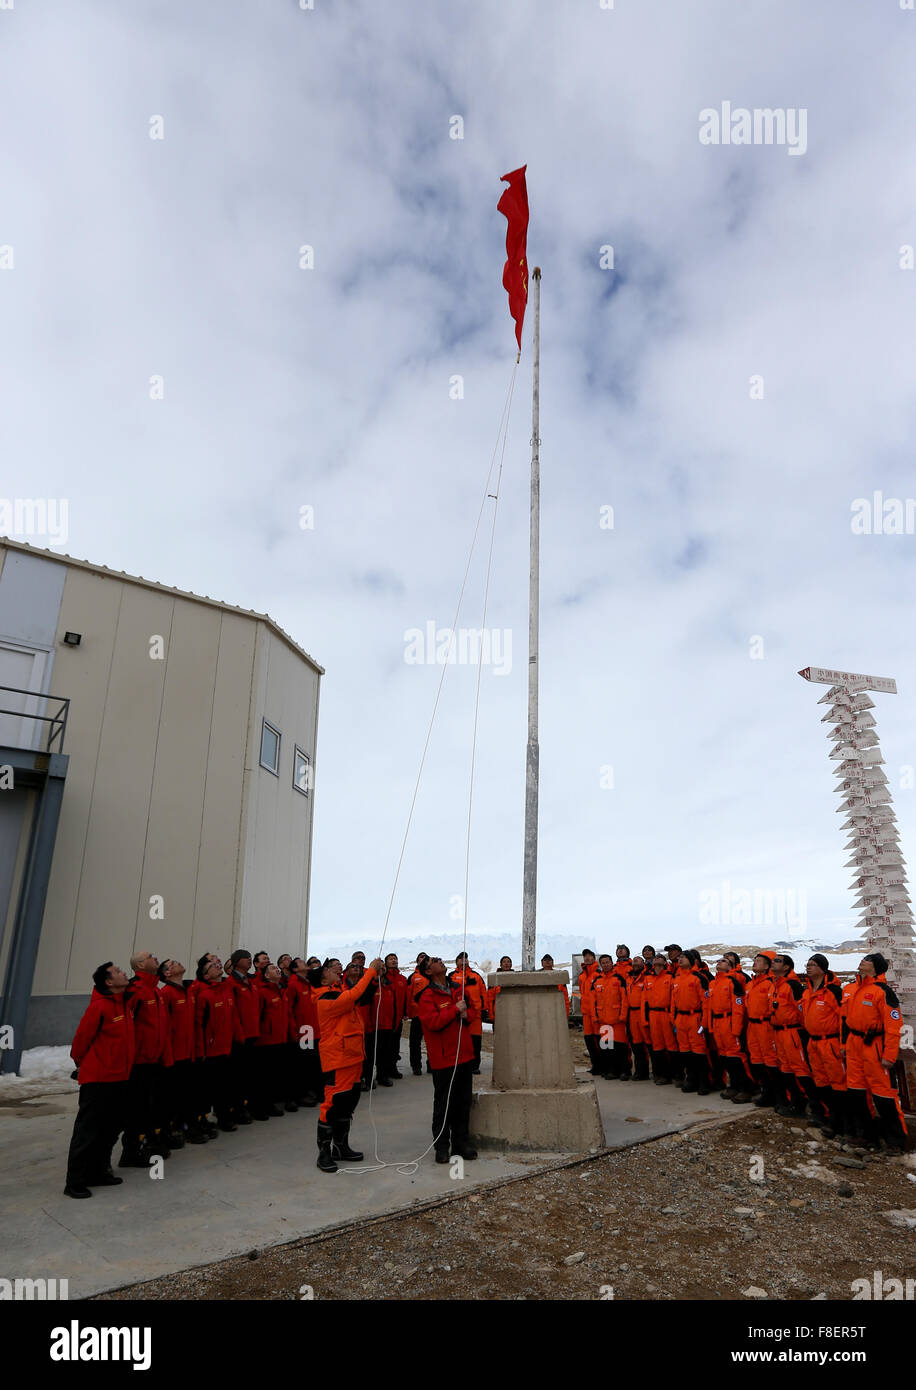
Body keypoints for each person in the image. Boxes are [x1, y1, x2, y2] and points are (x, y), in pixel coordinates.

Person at [64, 962, 135, 1198]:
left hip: (120, 1077)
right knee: (88, 1131)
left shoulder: (123, 1004)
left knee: (110, 1128)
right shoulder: (100, 1007)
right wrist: (85, 1065)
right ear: (108, 982)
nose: (124, 972)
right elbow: (80, 1043)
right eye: (117, 972)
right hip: (98, 1079)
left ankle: (98, 1172)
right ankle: (74, 1181)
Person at [309, 956, 384, 1173]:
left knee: (348, 1102)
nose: (336, 971)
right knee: (332, 1104)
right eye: (331, 970)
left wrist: (372, 978)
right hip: (338, 1058)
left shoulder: (337, 992)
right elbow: (354, 995)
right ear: (324, 979)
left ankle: (341, 1146)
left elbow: (359, 996)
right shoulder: (326, 999)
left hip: (351, 1056)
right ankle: (324, 1152)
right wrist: (370, 972)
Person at [841, 952, 908, 1150]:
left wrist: (889, 1055)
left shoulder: (883, 991)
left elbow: (894, 1025)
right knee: (857, 1092)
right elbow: (846, 1021)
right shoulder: (857, 989)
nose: (863, 961)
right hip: (855, 1045)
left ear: (876, 967)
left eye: (868, 960)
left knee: (883, 1094)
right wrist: (845, 1046)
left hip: (874, 1047)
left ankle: (896, 1141)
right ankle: (867, 1136)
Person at [416, 956, 478, 1164]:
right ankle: (442, 1146)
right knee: (444, 1104)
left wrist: (465, 1014)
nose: (439, 961)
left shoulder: (458, 989)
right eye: (434, 961)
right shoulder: (426, 996)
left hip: (464, 1055)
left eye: (440, 959)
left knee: (463, 1102)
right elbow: (432, 1022)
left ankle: (461, 1143)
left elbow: (474, 1012)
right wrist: (454, 1010)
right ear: (428, 971)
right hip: (444, 1059)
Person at [121, 949, 173, 1166]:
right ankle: (131, 1152)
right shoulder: (135, 990)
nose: (156, 957)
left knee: (152, 1105)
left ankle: (149, 1144)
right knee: (137, 1109)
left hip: (155, 1060)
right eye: (151, 956)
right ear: (140, 965)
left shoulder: (156, 990)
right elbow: (125, 1027)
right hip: (139, 1062)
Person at [159, 958, 209, 1145]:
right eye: (172, 963)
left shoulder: (187, 992)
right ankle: (173, 1130)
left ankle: (186, 1126)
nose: (177, 963)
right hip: (175, 1055)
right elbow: (165, 1028)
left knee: (189, 1094)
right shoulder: (167, 993)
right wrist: (168, 1055)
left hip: (189, 1053)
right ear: (167, 973)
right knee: (174, 1097)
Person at [194, 958, 243, 1131]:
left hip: (228, 1046)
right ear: (206, 975)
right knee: (214, 1088)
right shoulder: (205, 995)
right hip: (212, 1051)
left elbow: (234, 1015)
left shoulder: (227, 990)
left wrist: (239, 1036)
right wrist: (202, 1050)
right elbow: (199, 1024)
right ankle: (209, 1119)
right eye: (212, 967)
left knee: (226, 1085)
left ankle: (224, 1117)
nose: (217, 966)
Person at [802, 954, 846, 1135]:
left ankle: (841, 1122)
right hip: (814, 1043)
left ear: (822, 968)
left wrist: (843, 1045)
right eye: (807, 964)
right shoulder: (807, 991)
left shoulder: (833, 992)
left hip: (831, 1042)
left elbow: (844, 1019)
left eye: (812, 965)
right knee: (821, 1081)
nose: (808, 967)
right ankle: (828, 1115)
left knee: (838, 1082)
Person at [770, 954, 811, 1117]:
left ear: (786, 967)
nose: (773, 963)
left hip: (792, 1032)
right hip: (779, 1032)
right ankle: (795, 1103)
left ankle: (808, 1105)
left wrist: (801, 1031)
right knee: (785, 1069)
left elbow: (801, 1010)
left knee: (800, 1069)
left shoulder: (792, 985)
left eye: (778, 961)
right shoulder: (776, 985)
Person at [706, 958, 753, 1103]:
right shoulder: (712, 983)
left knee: (736, 1057)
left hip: (729, 1022)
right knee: (725, 1057)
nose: (719, 962)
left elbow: (738, 1007)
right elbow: (710, 1008)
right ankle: (734, 1085)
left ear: (730, 966)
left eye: (724, 961)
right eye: (718, 960)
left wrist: (736, 1029)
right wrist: (711, 1026)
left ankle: (747, 1088)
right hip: (718, 1023)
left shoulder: (733, 982)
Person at [226, 950, 258, 1125]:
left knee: (248, 1074)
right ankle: (236, 1109)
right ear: (237, 962)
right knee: (237, 1076)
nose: (249, 960)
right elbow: (234, 1012)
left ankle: (245, 1107)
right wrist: (240, 1034)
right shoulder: (232, 982)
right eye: (246, 957)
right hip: (241, 1036)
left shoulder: (249, 981)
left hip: (253, 1033)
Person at [671, 950, 709, 1094]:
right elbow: (673, 1001)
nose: (680, 960)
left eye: (684, 957)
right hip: (681, 1019)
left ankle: (704, 1082)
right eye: (679, 957)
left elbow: (706, 1001)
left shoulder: (698, 977)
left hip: (695, 1018)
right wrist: (673, 1019)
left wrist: (704, 1022)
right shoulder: (677, 978)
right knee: (685, 1052)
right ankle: (691, 1080)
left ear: (692, 961)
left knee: (698, 1052)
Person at [744, 952, 779, 1107]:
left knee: (770, 1060)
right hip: (752, 1026)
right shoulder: (750, 984)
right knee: (756, 1060)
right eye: (755, 960)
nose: (755, 963)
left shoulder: (770, 983)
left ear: (767, 966)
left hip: (766, 1025)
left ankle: (775, 1094)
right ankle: (765, 1091)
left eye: (759, 961)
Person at [287, 957, 321, 1105]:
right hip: (304, 1030)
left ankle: (313, 1091)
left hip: (314, 1029)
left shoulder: (309, 983)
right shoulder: (293, 985)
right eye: (300, 962)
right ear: (294, 969)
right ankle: (302, 1094)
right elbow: (289, 1010)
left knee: (314, 1063)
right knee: (304, 1065)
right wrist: (294, 1031)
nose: (304, 963)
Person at [448, 952, 488, 1074]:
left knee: (475, 1042)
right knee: (458, 1042)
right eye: (461, 959)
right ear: (456, 962)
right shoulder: (451, 976)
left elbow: (483, 994)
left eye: (466, 958)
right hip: (457, 1014)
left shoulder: (476, 976)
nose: (464, 960)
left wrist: (484, 1010)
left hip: (475, 1015)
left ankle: (475, 1066)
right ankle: (458, 1065)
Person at [643, 952, 678, 1084]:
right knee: (657, 1046)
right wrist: (645, 1018)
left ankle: (677, 1075)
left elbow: (674, 999)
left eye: (660, 958)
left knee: (671, 1046)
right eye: (655, 957)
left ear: (665, 963)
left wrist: (672, 1016)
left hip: (666, 1013)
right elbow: (645, 1000)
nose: (656, 958)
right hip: (653, 1015)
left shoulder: (670, 977)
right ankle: (662, 1074)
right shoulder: (648, 978)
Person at [594, 954, 629, 1079]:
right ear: (600, 965)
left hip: (617, 1020)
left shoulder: (619, 979)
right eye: (603, 963)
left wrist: (623, 1016)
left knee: (620, 1047)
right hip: (603, 1020)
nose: (606, 965)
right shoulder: (597, 981)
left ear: (611, 962)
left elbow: (624, 999)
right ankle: (610, 1071)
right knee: (607, 1048)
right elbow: (593, 1001)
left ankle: (624, 1071)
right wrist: (595, 1017)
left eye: (608, 962)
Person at [624, 956, 650, 1079]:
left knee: (649, 1043)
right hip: (632, 1014)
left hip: (643, 1012)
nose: (635, 960)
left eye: (638, 959)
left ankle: (658, 1072)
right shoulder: (628, 978)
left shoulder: (647, 976)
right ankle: (640, 1071)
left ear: (643, 963)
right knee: (636, 1044)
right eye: (634, 959)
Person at [578, 949, 602, 1074]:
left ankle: (604, 1066)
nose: (587, 958)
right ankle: (595, 1066)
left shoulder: (598, 974)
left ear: (594, 959)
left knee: (601, 1041)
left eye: (589, 956)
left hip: (596, 1014)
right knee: (589, 1041)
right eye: (585, 956)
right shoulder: (582, 976)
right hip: (586, 1014)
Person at [385, 953, 409, 1078]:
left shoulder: (402, 979)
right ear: (386, 962)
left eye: (395, 959)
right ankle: (383, 1072)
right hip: (385, 1019)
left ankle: (393, 1068)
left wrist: (405, 1012)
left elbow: (405, 997)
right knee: (385, 1046)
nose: (394, 960)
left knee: (395, 1045)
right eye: (391, 959)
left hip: (398, 1017)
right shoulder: (383, 978)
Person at [407, 953, 430, 1075]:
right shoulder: (413, 977)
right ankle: (416, 1066)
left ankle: (431, 1064)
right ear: (417, 961)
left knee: (431, 1041)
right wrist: (408, 1012)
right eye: (421, 957)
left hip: (431, 1015)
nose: (423, 960)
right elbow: (408, 995)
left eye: (425, 958)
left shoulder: (432, 975)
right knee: (415, 1042)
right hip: (417, 1014)